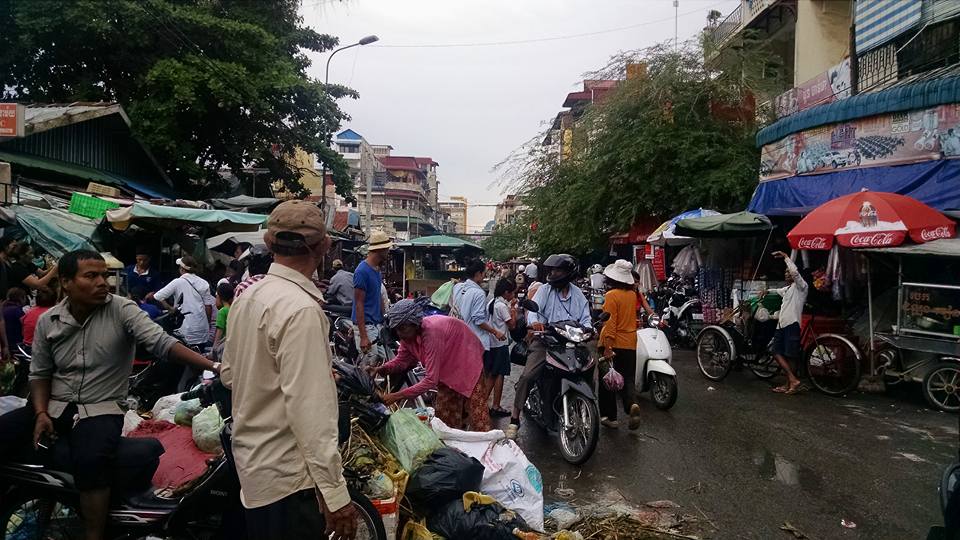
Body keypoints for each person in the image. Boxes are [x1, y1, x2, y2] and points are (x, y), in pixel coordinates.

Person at [27, 249, 217, 540]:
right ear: (65, 282)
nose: (103, 282)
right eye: (91, 276)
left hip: (100, 409)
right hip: (54, 405)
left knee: (92, 460)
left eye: (104, 275)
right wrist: (40, 413)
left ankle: (94, 534)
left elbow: (161, 342)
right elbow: (39, 374)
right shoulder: (48, 321)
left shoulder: (121, 309)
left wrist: (214, 365)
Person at [221, 200, 356, 540]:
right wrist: (335, 494)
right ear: (324, 246)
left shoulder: (249, 296)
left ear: (269, 244)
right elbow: (310, 414)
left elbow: (229, 375)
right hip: (288, 478)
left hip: (254, 469)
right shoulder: (301, 310)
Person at [507, 254, 592, 439]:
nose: (553, 273)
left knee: (588, 365)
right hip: (545, 340)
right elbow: (533, 311)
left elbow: (586, 318)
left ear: (568, 273)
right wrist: (536, 322)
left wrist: (589, 328)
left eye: (558, 270)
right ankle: (514, 419)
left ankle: (586, 411)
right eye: (552, 270)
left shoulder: (578, 294)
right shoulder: (545, 290)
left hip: (571, 342)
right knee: (528, 375)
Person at [372, 299, 491, 431]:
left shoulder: (431, 334)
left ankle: (490, 445)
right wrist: (381, 369)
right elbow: (402, 360)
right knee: (446, 417)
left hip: (467, 358)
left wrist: (397, 396)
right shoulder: (408, 338)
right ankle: (453, 446)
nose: (400, 334)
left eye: (403, 328)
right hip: (446, 367)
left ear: (415, 324)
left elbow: (430, 380)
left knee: (477, 414)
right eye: (397, 329)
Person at [598, 260, 642, 430]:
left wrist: (608, 347)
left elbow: (610, 323)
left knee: (608, 380)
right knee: (628, 378)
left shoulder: (611, 295)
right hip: (630, 343)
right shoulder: (632, 295)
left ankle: (611, 417)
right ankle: (631, 405)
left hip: (614, 342)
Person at [149, 255, 216, 349]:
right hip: (202, 331)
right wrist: (206, 325)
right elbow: (208, 307)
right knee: (199, 358)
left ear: (182, 269)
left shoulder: (177, 282)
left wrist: (170, 308)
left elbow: (158, 296)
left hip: (185, 330)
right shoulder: (204, 283)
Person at [769, 251, 808, 395]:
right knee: (777, 352)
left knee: (790, 355)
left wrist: (786, 258)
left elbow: (795, 272)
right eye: (785, 272)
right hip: (781, 325)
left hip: (792, 325)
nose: (787, 274)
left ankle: (791, 381)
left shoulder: (801, 287)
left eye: (788, 272)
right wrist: (766, 291)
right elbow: (777, 290)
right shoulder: (787, 289)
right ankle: (791, 381)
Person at [353, 230, 392, 366]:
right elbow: (358, 304)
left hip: (376, 325)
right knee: (369, 365)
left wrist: (384, 318)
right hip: (366, 326)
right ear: (380, 250)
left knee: (383, 363)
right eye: (386, 249)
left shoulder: (376, 269)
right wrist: (363, 336)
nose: (388, 251)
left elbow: (378, 296)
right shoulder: (362, 271)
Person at [453, 260, 504, 350]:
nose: (484, 276)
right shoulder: (479, 293)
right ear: (478, 274)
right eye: (484, 273)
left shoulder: (457, 287)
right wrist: (495, 332)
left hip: (457, 336)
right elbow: (479, 320)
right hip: (473, 340)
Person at [486, 278, 517, 417]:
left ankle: (483, 403)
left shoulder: (492, 303)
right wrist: (513, 309)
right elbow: (512, 325)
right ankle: (495, 405)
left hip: (491, 343)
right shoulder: (502, 306)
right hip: (501, 344)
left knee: (492, 373)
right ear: (506, 292)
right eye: (512, 293)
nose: (513, 296)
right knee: (499, 374)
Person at [211, 282, 234, 360]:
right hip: (232, 345)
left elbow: (219, 333)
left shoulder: (222, 312)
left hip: (223, 348)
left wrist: (214, 350)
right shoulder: (234, 309)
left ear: (219, 297)